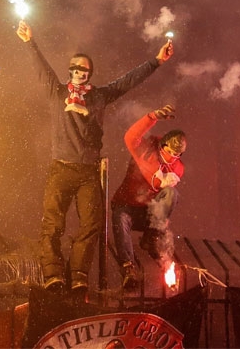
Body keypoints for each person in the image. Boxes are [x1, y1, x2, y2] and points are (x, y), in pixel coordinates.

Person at [15, 20, 174, 295]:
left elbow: (127, 81)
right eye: (74, 68)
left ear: (90, 74)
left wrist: (156, 61)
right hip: (61, 169)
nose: (77, 72)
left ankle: (78, 275)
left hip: (88, 171)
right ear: (69, 72)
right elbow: (42, 70)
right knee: (53, 224)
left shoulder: (99, 96)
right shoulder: (58, 93)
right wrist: (30, 42)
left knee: (91, 224)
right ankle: (53, 275)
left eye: (83, 69)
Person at [110, 104, 186, 290]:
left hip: (148, 214)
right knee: (120, 218)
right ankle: (128, 267)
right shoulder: (145, 149)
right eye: (170, 152)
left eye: (178, 154)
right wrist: (152, 117)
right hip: (127, 205)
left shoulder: (177, 168)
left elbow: (164, 195)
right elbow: (130, 136)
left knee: (171, 194)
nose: (173, 157)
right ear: (162, 146)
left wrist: (164, 183)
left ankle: (151, 236)